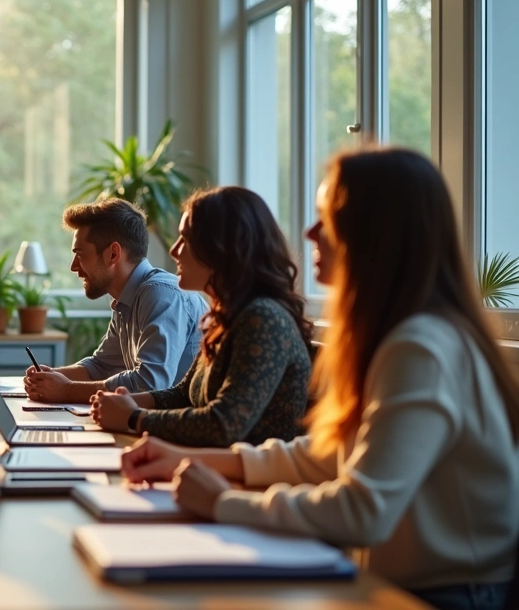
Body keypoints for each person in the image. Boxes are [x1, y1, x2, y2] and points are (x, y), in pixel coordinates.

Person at [121, 147, 519, 608]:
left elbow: (362, 511)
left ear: (377, 234)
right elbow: (332, 454)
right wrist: (211, 465)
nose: (309, 232)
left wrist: (224, 501)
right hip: (402, 583)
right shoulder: (403, 335)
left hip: (446, 596)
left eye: (326, 217)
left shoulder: (421, 348)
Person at [89, 187, 311, 446]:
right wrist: (124, 402)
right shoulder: (226, 317)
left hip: (249, 482)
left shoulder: (263, 318)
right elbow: (183, 394)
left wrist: (134, 418)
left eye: (186, 239)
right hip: (213, 468)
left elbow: (223, 425)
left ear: (222, 247)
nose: (174, 251)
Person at [25, 199, 207, 403]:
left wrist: (66, 390)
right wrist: (49, 378)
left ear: (113, 253)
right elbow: (101, 366)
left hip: (179, 428)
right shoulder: (127, 298)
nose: (73, 267)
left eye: (80, 254)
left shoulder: (161, 294)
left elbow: (149, 384)